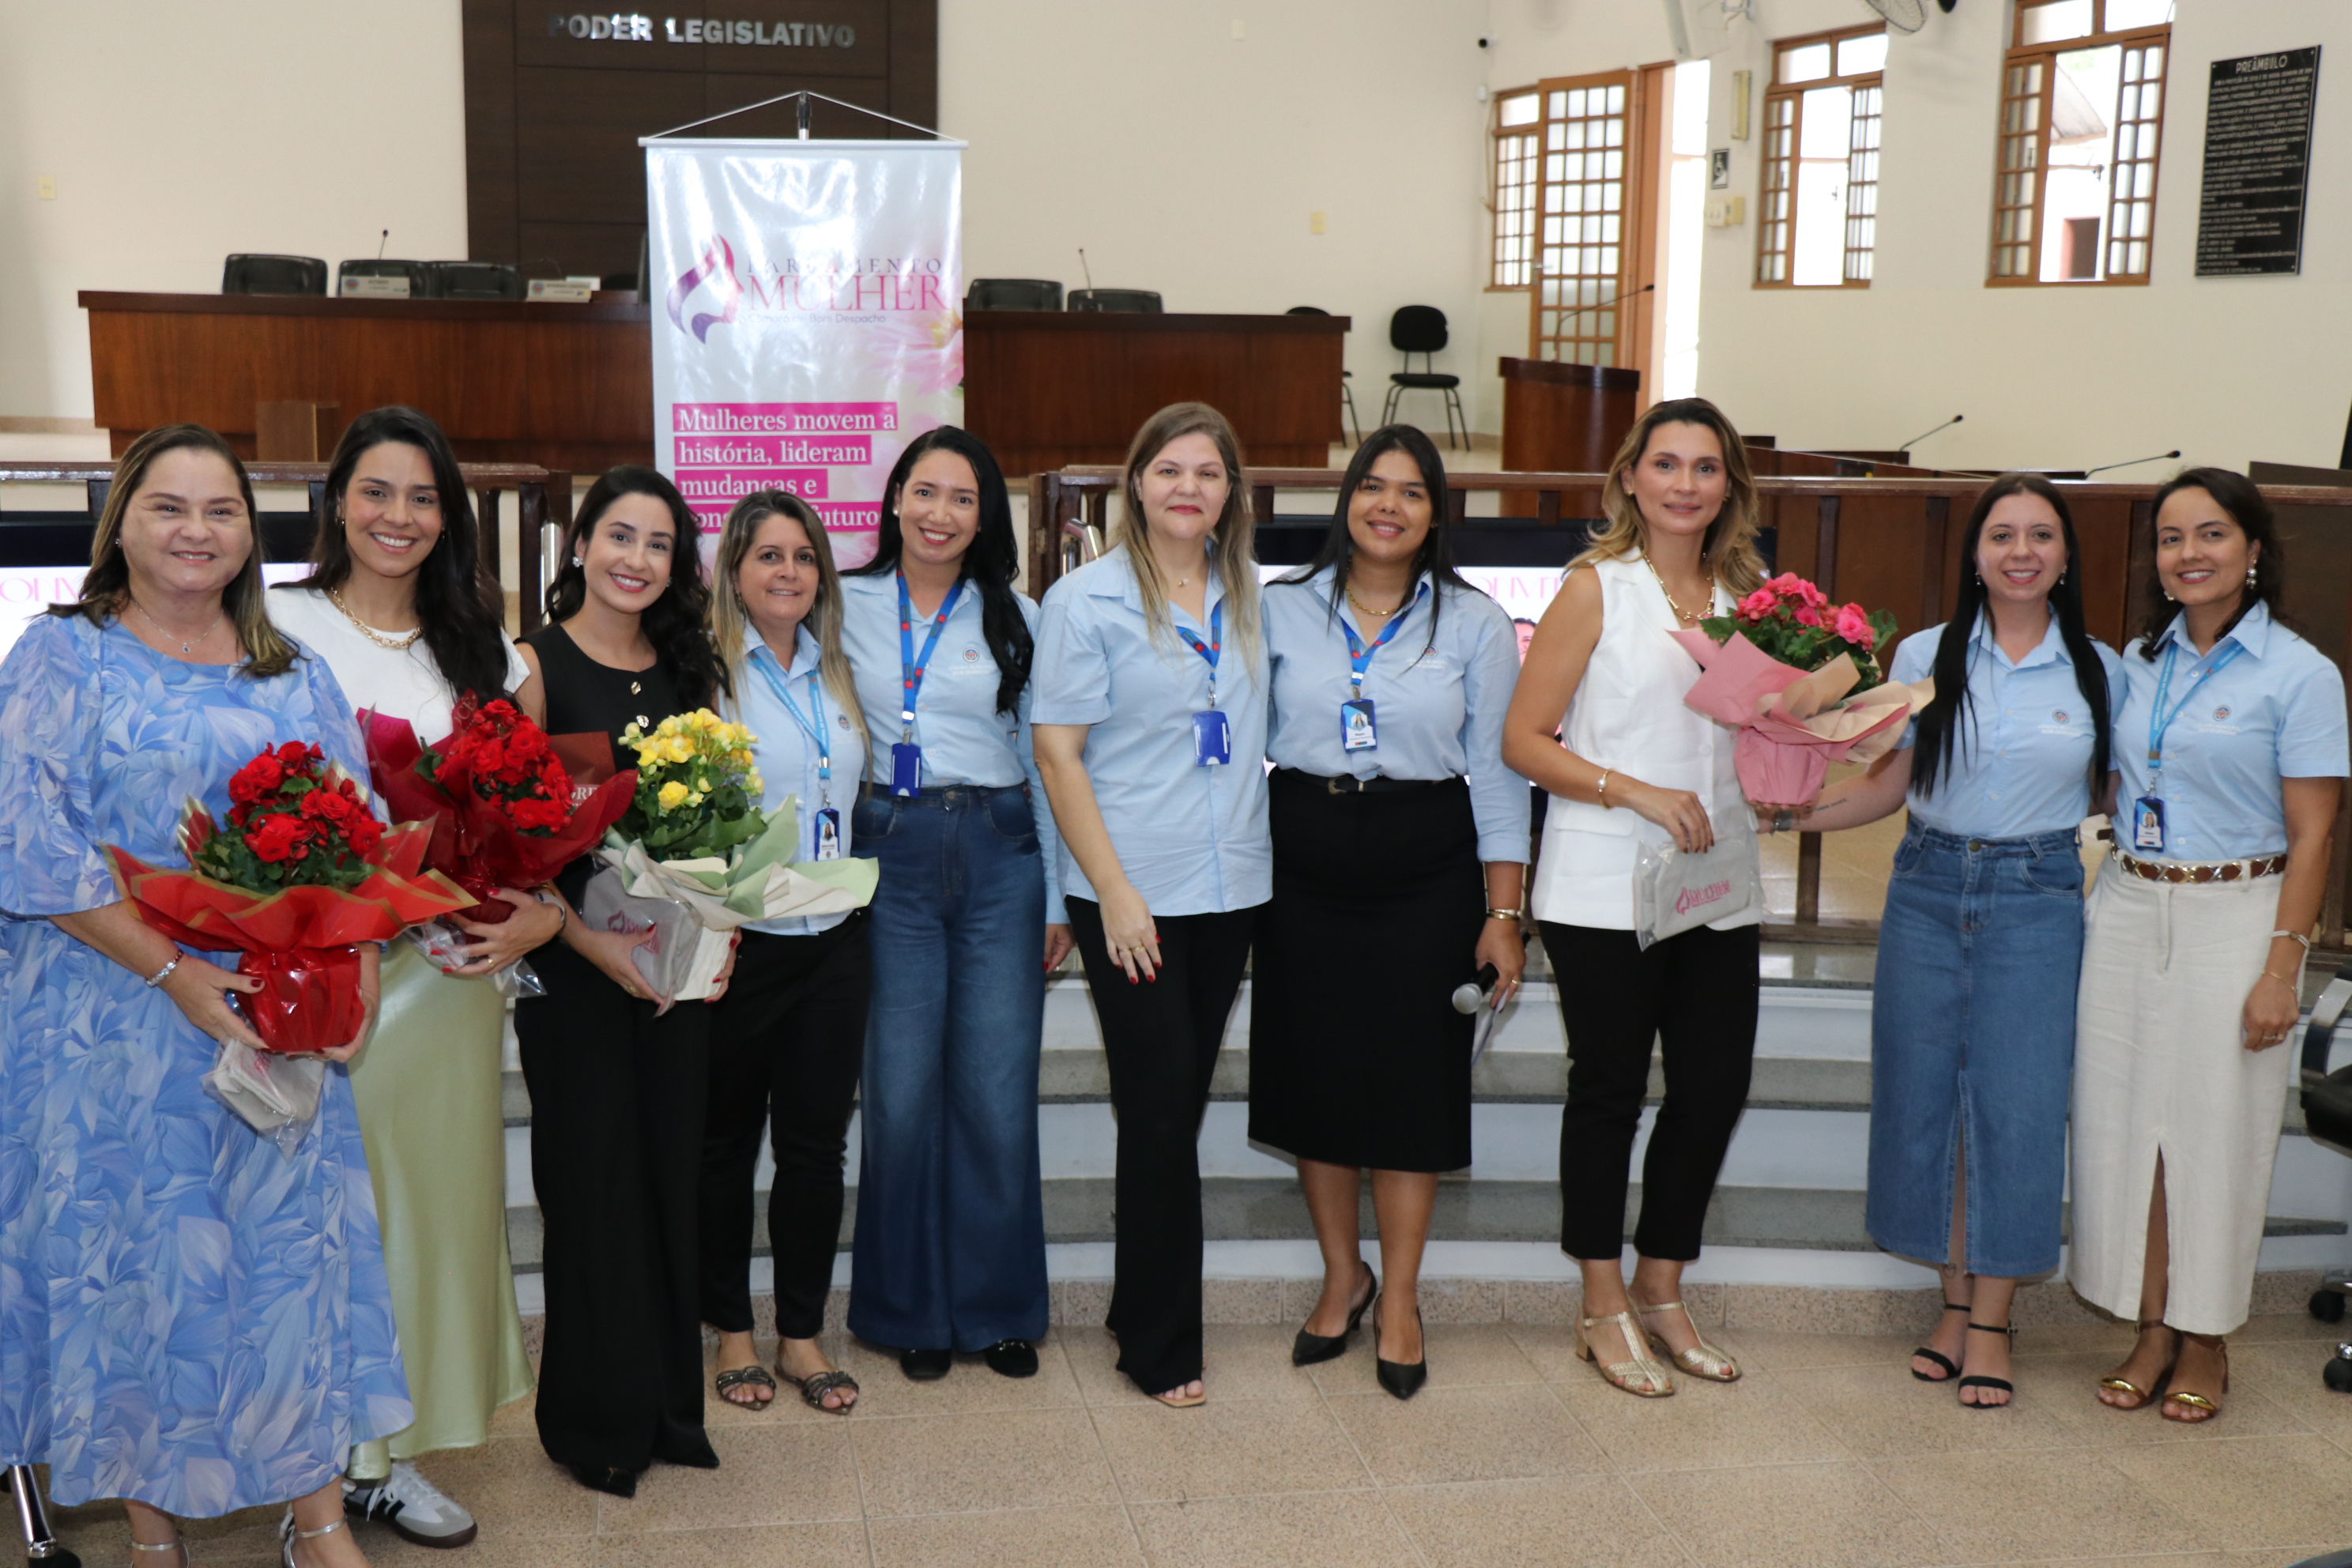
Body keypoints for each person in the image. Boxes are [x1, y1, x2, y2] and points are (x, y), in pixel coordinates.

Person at [0, 424, 405, 1567]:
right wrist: (175, 974)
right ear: (120, 521)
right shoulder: (59, 658)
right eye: (168, 507)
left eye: (221, 510)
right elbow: (31, 848)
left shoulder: (295, 674)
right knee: (136, 1274)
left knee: (285, 1271)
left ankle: (318, 1522)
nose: (195, 531)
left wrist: (357, 968)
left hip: (270, 1026)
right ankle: (150, 1536)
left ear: (250, 532)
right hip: (107, 1026)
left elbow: (356, 846)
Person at [1778, 473, 2118, 1408]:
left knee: (2016, 1098)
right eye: (2001, 534)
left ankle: (1996, 1318)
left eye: (2040, 535)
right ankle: (1953, 1304)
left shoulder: (2099, 666)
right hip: (1926, 886)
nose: (2020, 551)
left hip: (2038, 893)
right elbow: (1891, 780)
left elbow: (2124, 794)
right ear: (1974, 554)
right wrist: (1790, 816)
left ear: (2063, 556)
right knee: (1923, 1093)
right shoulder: (1929, 651)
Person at [270, 406, 545, 1544]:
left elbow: (539, 818)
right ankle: (315, 1470)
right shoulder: (273, 626)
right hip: (327, 979)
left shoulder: (490, 651)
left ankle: (397, 1454)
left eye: (424, 497)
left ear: (451, 518)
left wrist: (536, 917)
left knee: (430, 1218)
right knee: (327, 1223)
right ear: (338, 500)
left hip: (450, 982)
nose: (399, 516)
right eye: (378, 492)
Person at [1254, 424, 1528, 1400]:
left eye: (1411, 492)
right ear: (1346, 501)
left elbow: (1497, 776)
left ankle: (1402, 1298)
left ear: (1434, 512)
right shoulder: (1278, 610)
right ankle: (1344, 1277)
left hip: (1428, 863)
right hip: (1304, 856)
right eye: (1372, 486)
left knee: (1413, 1084)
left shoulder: (1475, 624)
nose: (1388, 505)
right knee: (1315, 1078)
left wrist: (1505, 912)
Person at [1501, 397, 1766, 1398]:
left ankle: (1663, 1286)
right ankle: (1601, 1302)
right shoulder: (1595, 589)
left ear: (1729, 488)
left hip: (1719, 882)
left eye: (1706, 468)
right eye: (1667, 465)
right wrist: (1638, 790)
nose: (1685, 484)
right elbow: (1523, 740)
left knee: (1712, 1087)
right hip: (1606, 879)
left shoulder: (1755, 596)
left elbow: (1757, 732)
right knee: (1609, 1091)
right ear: (1630, 478)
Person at [2071, 468, 2346, 1423]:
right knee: (2127, 1131)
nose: (2190, 554)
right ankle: (2151, 1326)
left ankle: (2206, 1335)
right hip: (2131, 905)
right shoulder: (2135, 662)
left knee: (2214, 1135)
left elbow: (2314, 833)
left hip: (2241, 913)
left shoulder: (2301, 674)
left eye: (2213, 534)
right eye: (2172, 538)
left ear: (2255, 551)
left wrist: (2283, 966)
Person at [1032, 402, 1270, 1408]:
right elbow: (1057, 753)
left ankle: (1139, 1308)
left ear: (1230, 492)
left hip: (1232, 887)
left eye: (1208, 473)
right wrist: (1116, 896)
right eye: (1169, 469)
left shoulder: (1253, 594)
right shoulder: (1084, 603)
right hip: (1131, 891)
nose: (1188, 488)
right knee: (1164, 1115)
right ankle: (1163, 1345)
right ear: (1135, 482)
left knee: (1167, 1107)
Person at [513, 467, 732, 1494]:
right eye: (619, 537)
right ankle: (594, 1421)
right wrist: (595, 946)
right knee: (592, 1187)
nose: (636, 560)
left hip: (671, 972)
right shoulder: (533, 668)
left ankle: (667, 1411)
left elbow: (720, 823)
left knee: (666, 1183)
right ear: (580, 546)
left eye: (658, 544)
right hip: (576, 971)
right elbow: (503, 852)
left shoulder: (690, 669)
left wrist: (715, 937)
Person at [839, 427, 1070, 1383]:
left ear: (986, 517)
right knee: (897, 1092)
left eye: (964, 498)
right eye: (925, 492)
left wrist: (1056, 891)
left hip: (1001, 852)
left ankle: (999, 1309)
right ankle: (909, 1311)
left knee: (995, 1092)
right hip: (887, 850)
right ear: (894, 500)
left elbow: (1046, 762)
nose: (941, 514)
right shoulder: (839, 605)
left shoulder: (1018, 613)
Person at [699, 491, 872, 1415]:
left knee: (815, 1147)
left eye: (804, 557)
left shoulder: (836, 672)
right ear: (734, 570)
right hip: (742, 942)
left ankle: (801, 1334)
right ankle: (731, 1329)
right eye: (768, 556)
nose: (788, 572)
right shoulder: (707, 672)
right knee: (725, 1144)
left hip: (835, 939)